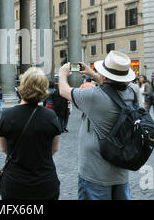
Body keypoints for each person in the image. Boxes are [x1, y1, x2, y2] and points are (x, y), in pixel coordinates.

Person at [58, 51, 137, 200]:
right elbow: (111, 89)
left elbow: (63, 90)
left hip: (95, 173)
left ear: (105, 75)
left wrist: (62, 72)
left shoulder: (94, 96)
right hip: (121, 172)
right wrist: (93, 74)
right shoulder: (132, 93)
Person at [0, 67, 61, 200]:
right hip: (45, 182)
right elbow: (54, 149)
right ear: (44, 89)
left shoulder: (7, 115)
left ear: (22, 86)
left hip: (15, 183)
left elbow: (4, 149)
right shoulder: (50, 116)